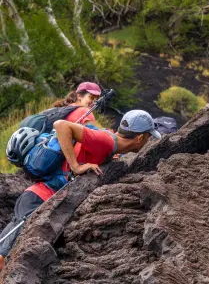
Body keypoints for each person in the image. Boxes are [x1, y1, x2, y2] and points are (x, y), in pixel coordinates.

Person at [0, 110, 161, 270]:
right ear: (140, 138)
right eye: (148, 137)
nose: (148, 141)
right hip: (38, 199)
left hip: (41, 198)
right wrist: (76, 167)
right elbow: (61, 126)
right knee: (4, 257)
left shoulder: (110, 144)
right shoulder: (107, 141)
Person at [0, 82, 102, 270]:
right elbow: (95, 136)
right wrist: (113, 142)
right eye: (90, 98)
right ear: (79, 95)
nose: (93, 103)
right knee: (8, 245)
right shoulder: (80, 113)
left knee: (12, 234)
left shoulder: (62, 111)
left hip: (35, 192)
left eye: (96, 99)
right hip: (40, 195)